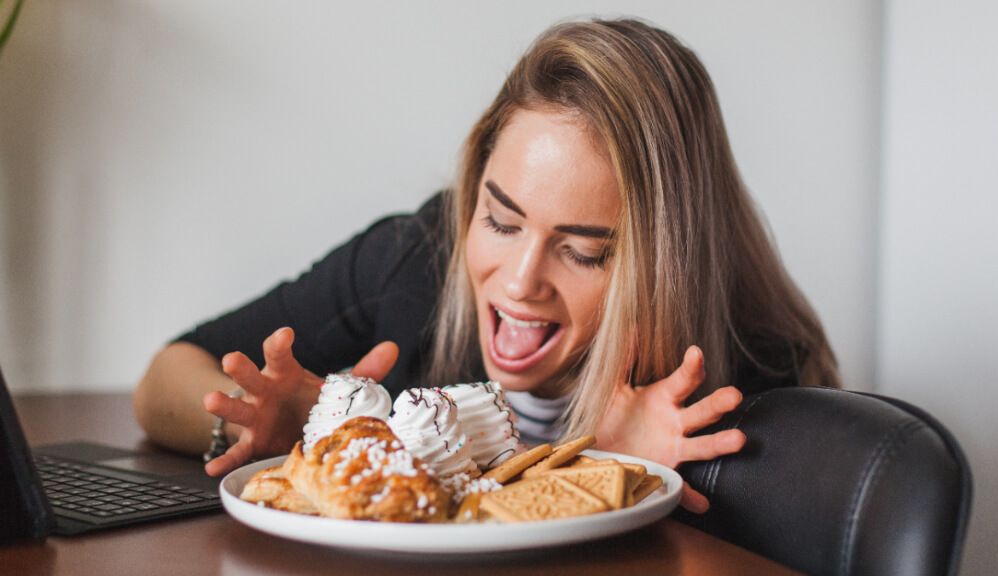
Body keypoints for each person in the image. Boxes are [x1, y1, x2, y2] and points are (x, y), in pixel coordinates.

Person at [133, 17, 839, 514]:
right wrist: (283, 437)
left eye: (583, 251)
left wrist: (627, 477)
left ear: (668, 263)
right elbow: (164, 377)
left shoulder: (750, 376)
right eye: (500, 219)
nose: (520, 279)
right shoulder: (419, 255)